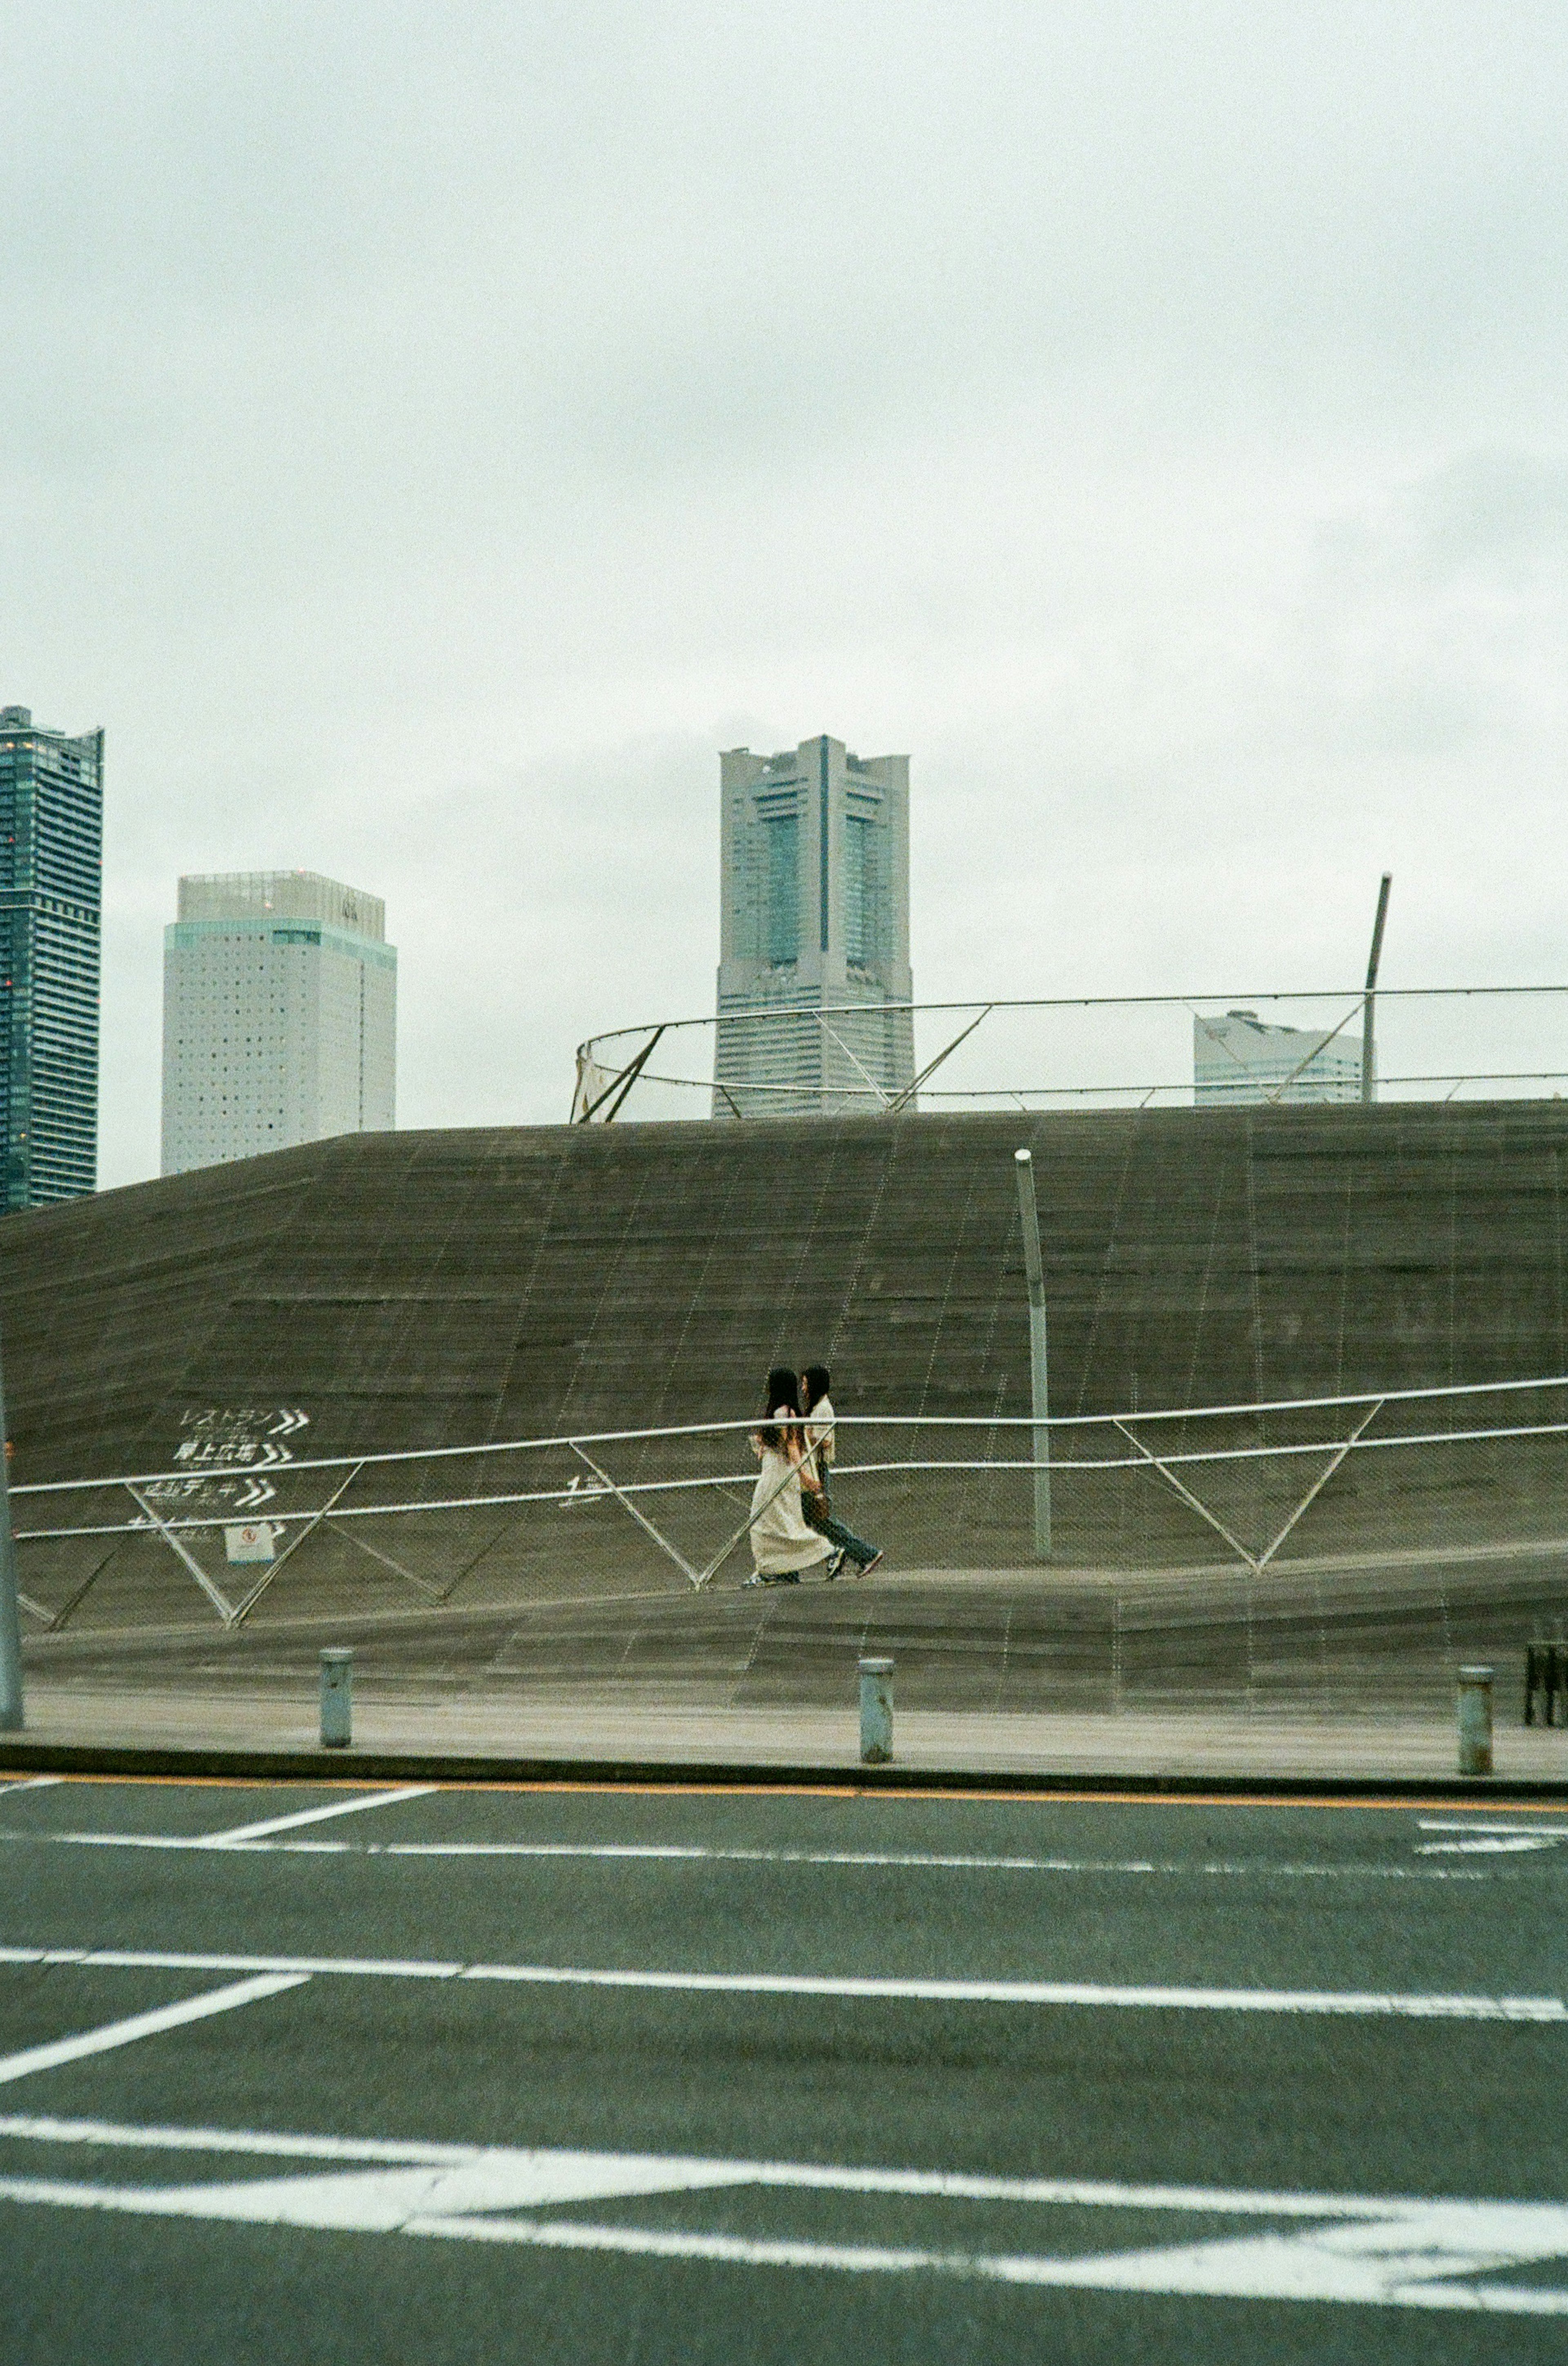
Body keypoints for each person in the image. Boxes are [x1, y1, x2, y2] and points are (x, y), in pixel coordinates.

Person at [744, 1367, 835, 1587]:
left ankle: (828, 1551)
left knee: (768, 1524)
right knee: (781, 1525)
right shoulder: (787, 1412)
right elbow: (787, 1445)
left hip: (777, 1476)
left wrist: (806, 1478)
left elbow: (791, 1447)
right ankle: (780, 1571)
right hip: (777, 1474)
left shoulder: (782, 1413)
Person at [799, 1364, 882, 1577]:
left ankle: (861, 1554)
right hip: (814, 1469)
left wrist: (805, 1434)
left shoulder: (824, 1409)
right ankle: (838, 1556)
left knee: (820, 1521)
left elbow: (825, 1441)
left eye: (806, 1384)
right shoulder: (817, 1407)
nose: (803, 1388)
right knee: (812, 1522)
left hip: (817, 1471)